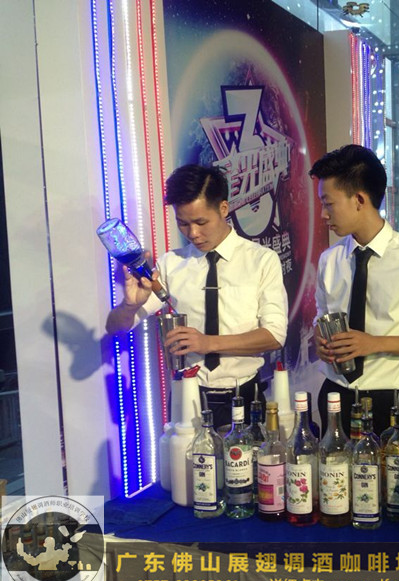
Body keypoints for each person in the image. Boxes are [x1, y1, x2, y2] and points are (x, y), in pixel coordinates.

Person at [106, 164, 288, 427]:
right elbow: (116, 327)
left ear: (223, 209)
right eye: (183, 223)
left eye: (201, 222)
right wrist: (129, 304)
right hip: (188, 397)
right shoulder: (171, 264)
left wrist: (207, 343)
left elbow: (274, 336)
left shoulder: (261, 260)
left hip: (246, 394)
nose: (192, 233)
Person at [310, 144, 399, 437]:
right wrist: (319, 339)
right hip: (336, 394)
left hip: (391, 402)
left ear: (359, 200)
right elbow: (322, 316)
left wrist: (372, 343)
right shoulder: (330, 259)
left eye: (328, 203)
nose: (323, 214)